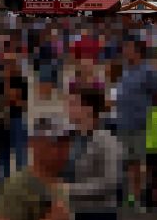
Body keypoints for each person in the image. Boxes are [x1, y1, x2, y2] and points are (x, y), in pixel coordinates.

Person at [0, 114, 73, 220]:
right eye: (54, 143)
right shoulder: (17, 187)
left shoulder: (66, 183)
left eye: (65, 143)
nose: (61, 150)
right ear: (34, 143)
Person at [115, 39, 157, 210]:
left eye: (128, 48)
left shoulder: (149, 71)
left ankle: (149, 197)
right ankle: (133, 198)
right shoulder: (125, 72)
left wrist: (156, 122)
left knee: (147, 164)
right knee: (131, 163)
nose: (125, 51)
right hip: (125, 125)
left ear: (138, 51)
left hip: (144, 126)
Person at [66, 87, 121, 220]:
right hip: (79, 210)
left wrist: (69, 190)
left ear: (88, 109)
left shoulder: (107, 140)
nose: (68, 108)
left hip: (101, 213)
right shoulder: (75, 138)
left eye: (74, 104)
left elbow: (109, 183)